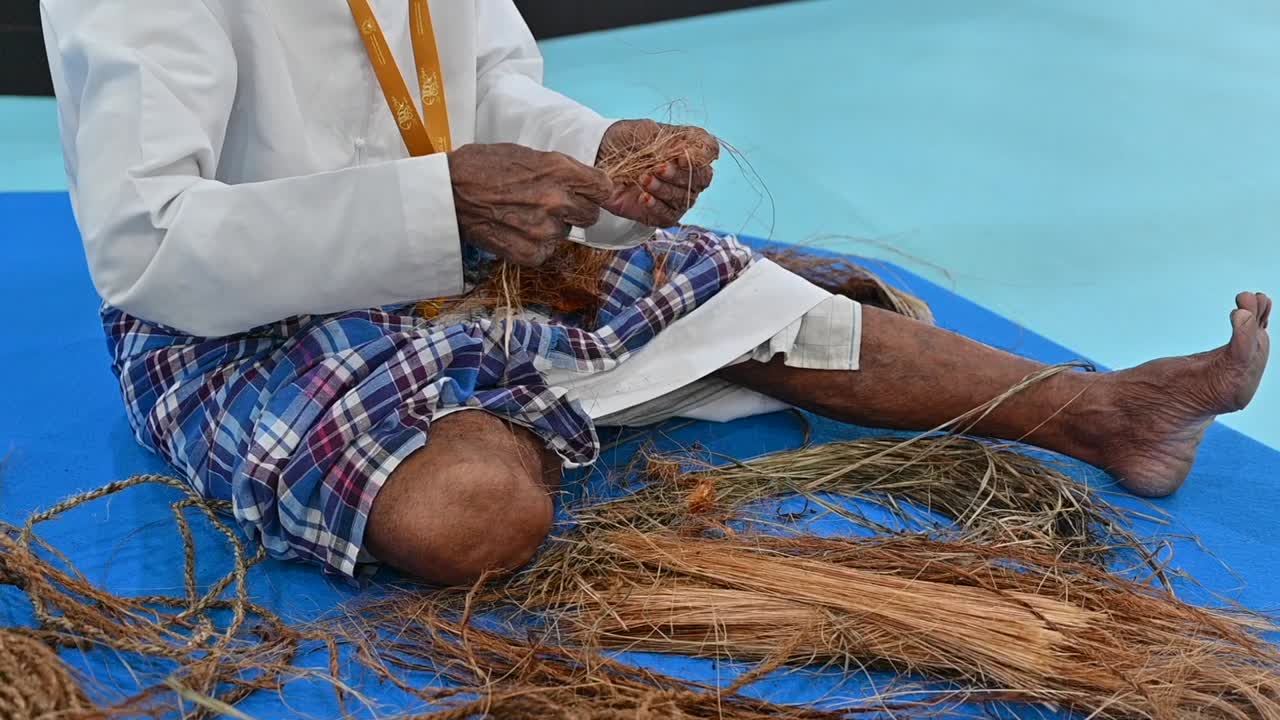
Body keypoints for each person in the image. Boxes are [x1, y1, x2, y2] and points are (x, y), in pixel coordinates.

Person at [41, 0, 1270, 586]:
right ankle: (535, 403)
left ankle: (1102, 414)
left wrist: (599, 152)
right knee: (473, 518)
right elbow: (148, 249)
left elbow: (492, 85)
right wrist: (438, 207)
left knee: (743, 290)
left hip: (468, 247)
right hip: (242, 317)